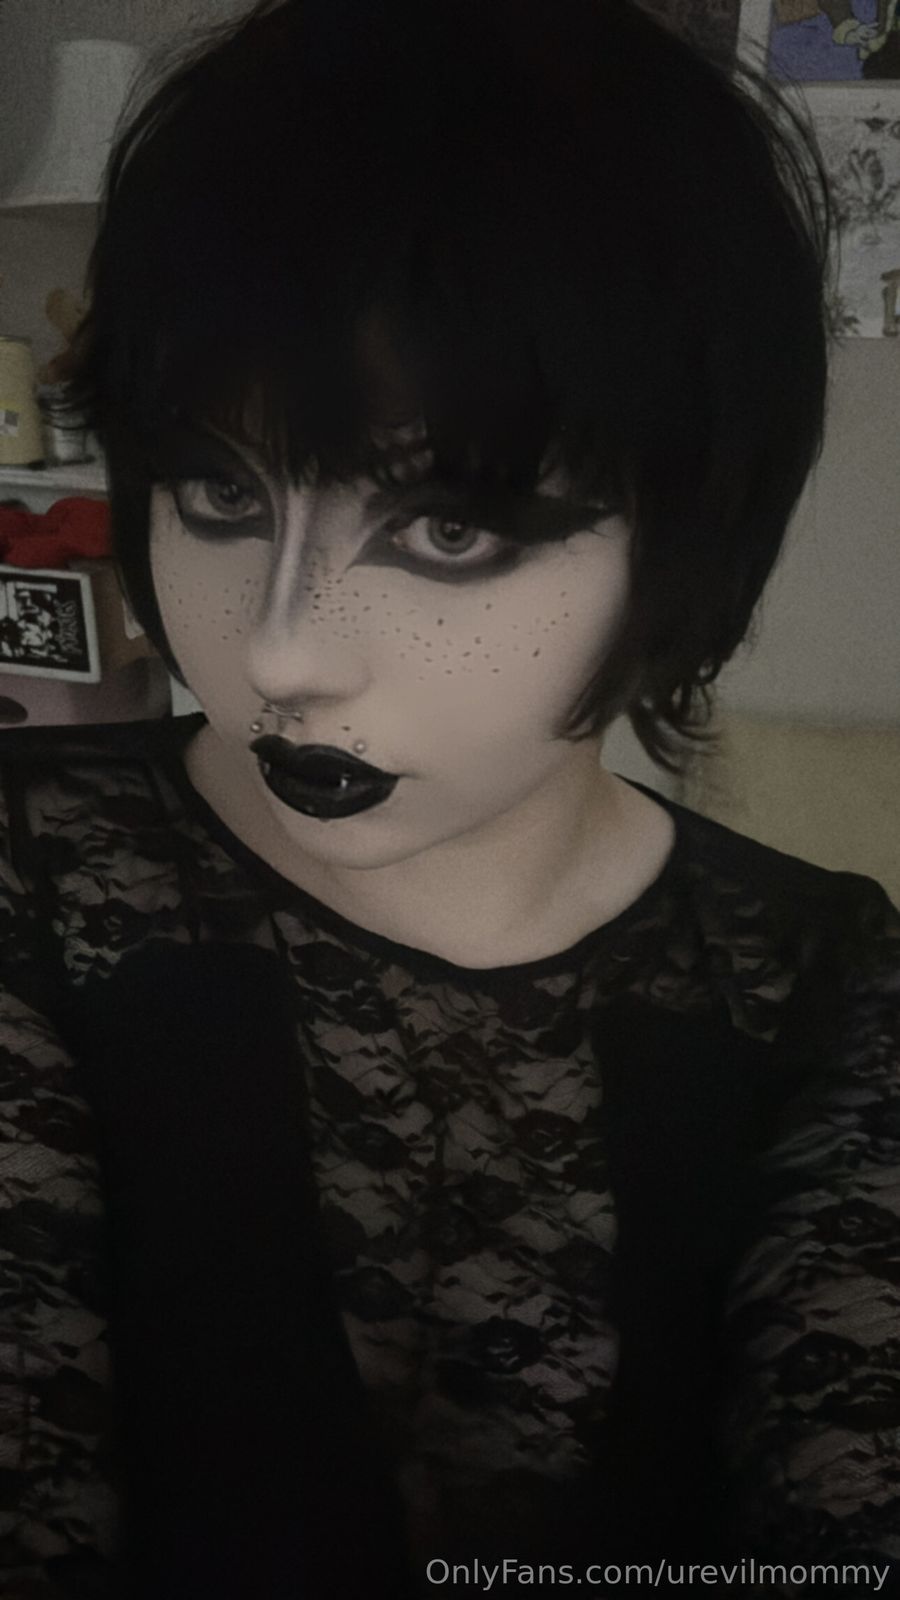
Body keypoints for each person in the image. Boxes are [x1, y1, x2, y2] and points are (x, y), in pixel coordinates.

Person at [1, 0, 898, 1595]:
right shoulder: (26, 873)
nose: (278, 652)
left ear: (691, 540)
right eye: (218, 491)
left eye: (447, 529)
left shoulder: (828, 985)